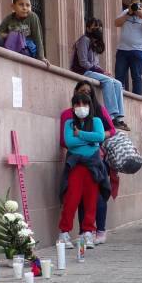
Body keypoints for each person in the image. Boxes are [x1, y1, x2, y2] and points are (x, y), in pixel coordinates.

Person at [59, 81, 117, 246]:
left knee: (91, 200)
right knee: (72, 199)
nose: (81, 107)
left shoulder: (97, 121)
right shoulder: (70, 123)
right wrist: (88, 139)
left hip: (93, 166)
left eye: (85, 103)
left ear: (90, 105)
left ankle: (87, 233)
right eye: (77, 104)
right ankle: (64, 233)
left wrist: (81, 134)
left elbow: (100, 137)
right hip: (76, 166)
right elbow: (69, 142)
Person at [71, 18, 130, 131]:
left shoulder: (94, 44)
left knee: (117, 83)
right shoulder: (84, 40)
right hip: (82, 72)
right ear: (88, 28)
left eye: (99, 26)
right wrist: (101, 72)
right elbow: (83, 62)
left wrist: (104, 72)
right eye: (95, 26)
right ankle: (110, 116)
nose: (98, 29)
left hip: (91, 71)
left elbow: (95, 64)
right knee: (108, 81)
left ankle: (118, 118)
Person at [0, 0, 49, 66]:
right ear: (13, 7)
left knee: (25, 52)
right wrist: (11, 35)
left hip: (26, 48)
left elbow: (38, 38)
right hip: (11, 46)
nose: (25, 8)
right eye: (21, 5)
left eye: (28, 5)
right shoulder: (9, 18)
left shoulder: (32, 17)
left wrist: (41, 57)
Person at [114, 0, 142, 95]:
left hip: (139, 51)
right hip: (123, 49)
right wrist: (128, 14)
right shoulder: (126, 13)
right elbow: (116, 23)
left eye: (137, 5)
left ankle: (137, 99)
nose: (135, 7)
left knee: (136, 76)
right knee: (119, 75)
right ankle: (119, 96)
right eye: (133, 4)